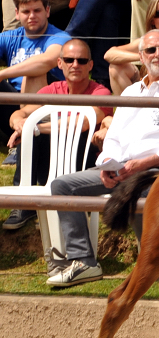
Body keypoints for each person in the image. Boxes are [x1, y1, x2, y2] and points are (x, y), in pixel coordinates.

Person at [46, 30, 159, 287]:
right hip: (124, 169)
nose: (158, 55)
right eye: (151, 50)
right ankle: (84, 261)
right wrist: (108, 164)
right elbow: (114, 137)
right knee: (62, 185)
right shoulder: (131, 91)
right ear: (141, 56)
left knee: (140, 190)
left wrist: (142, 164)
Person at [2, 39, 113, 232]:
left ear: (90, 65)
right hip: (52, 163)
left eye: (81, 60)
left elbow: (83, 123)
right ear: (60, 63)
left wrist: (35, 128)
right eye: (69, 60)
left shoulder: (101, 92)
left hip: (83, 164)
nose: (75, 65)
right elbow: (20, 113)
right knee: (31, 131)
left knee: (48, 131)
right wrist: (20, 124)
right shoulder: (52, 90)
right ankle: (22, 203)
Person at [0, 0, 71, 161]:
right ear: (17, 14)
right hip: (12, 103)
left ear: (47, 11)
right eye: (26, 12)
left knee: (34, 72)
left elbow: (46, 60)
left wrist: (3, 74)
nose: (32, 16)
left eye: (37, 11)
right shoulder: (11, 37)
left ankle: (26, 142)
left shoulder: (60, 37)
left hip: (47, 107)